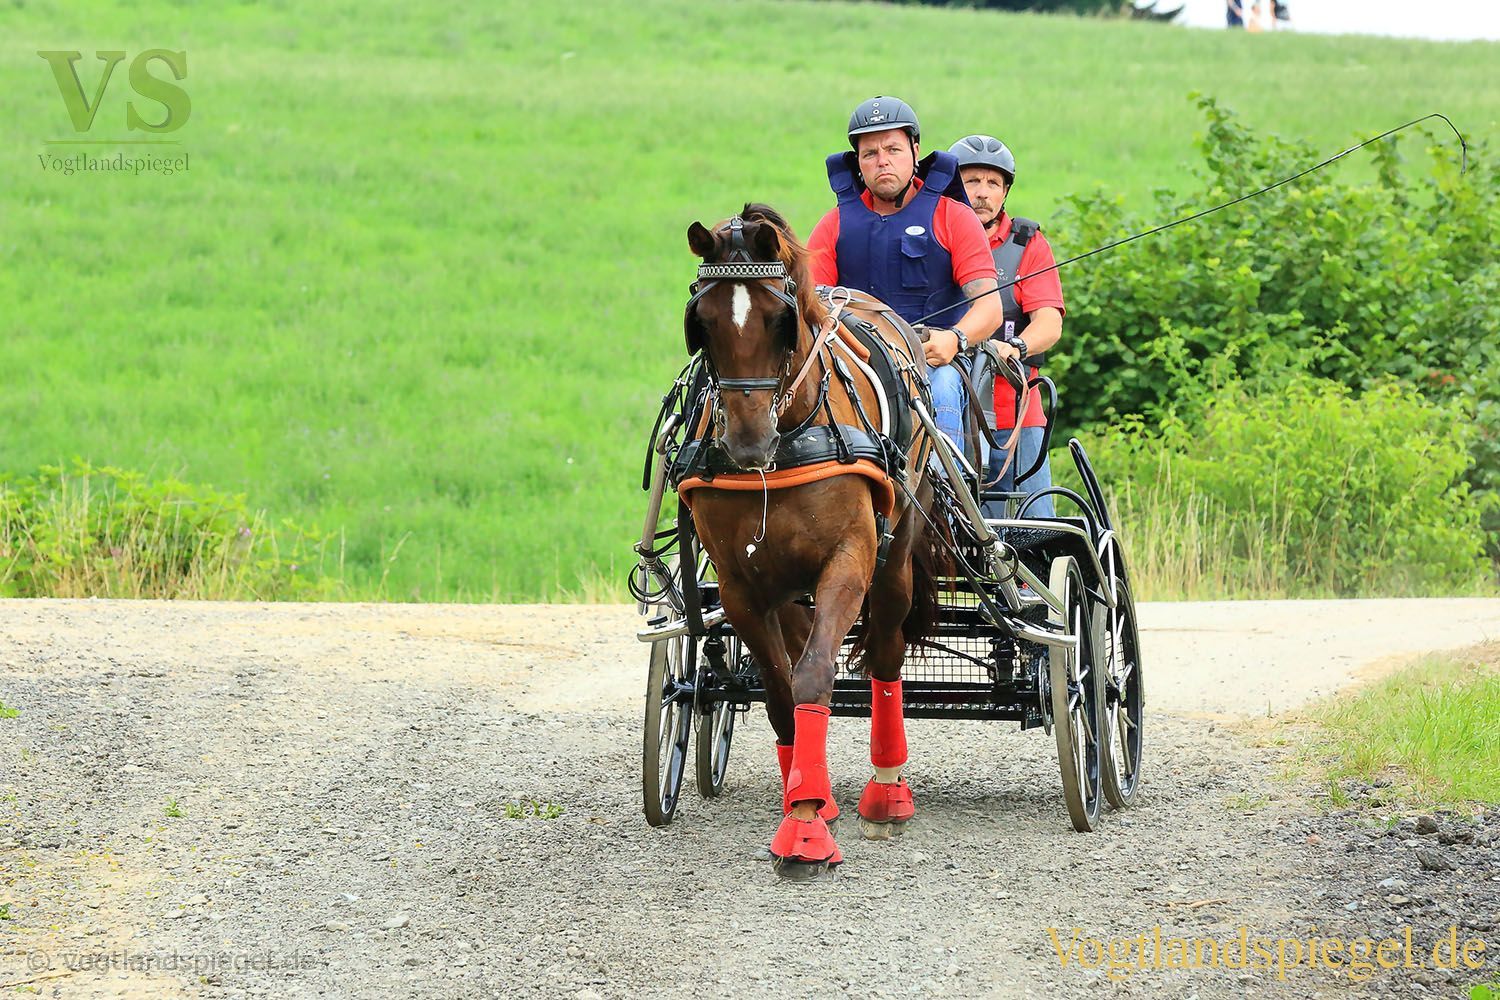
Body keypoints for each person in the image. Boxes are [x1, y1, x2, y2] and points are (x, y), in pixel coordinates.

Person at [807, 97, 1001, 460]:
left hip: (934, 361)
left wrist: (955, 340)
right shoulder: (833, 225)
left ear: (915, 151)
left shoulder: (953, 217)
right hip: (856, 366)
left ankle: (946, 495)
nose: (882, 161)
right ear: (858, 164)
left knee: (941, 385)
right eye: (870, 153)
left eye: (893, 149)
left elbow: (990, 308)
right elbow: (809, 305)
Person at [948, 134, 1065, 518]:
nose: (982, 193)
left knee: (1035, 528)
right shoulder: (932, 238)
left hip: (1016, 414)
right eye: (972, 181)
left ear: (1005, 192)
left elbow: (1048, 321)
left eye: (993, 183)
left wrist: (1016, 348)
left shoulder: (1027, 244)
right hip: (945, 415)